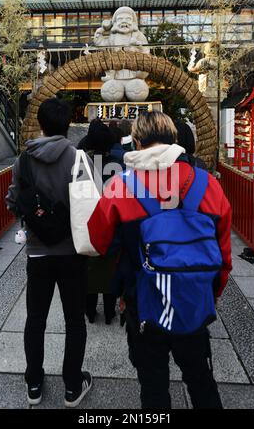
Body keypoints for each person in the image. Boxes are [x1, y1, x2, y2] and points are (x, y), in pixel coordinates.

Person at [85, 111, 232, 409]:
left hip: (144, 302)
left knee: (153, 386)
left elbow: (98, 241)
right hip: (193, 301)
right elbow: (224, 256)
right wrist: (210, 294)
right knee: (201, 379)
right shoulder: (208, 185)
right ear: (175, 139)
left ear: (136, 142)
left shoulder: (121, 186)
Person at [5, 98, 92, 408]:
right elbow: (88, 204)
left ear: (40, 124)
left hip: (38, 253)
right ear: (67, 124)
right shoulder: (77, 157)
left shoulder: (23, 160)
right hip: (72, 252)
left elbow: (13, 201)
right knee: (74, 321)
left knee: (35, 319)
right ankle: (72, 386)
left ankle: (34, 384)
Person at [81, 118, 123, 324]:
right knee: (109, 268)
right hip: (111, 221)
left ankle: (89, 311)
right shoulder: (118, 164)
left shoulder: (81, 164)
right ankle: (109, 312)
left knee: (89, 269)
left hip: (88, 221)